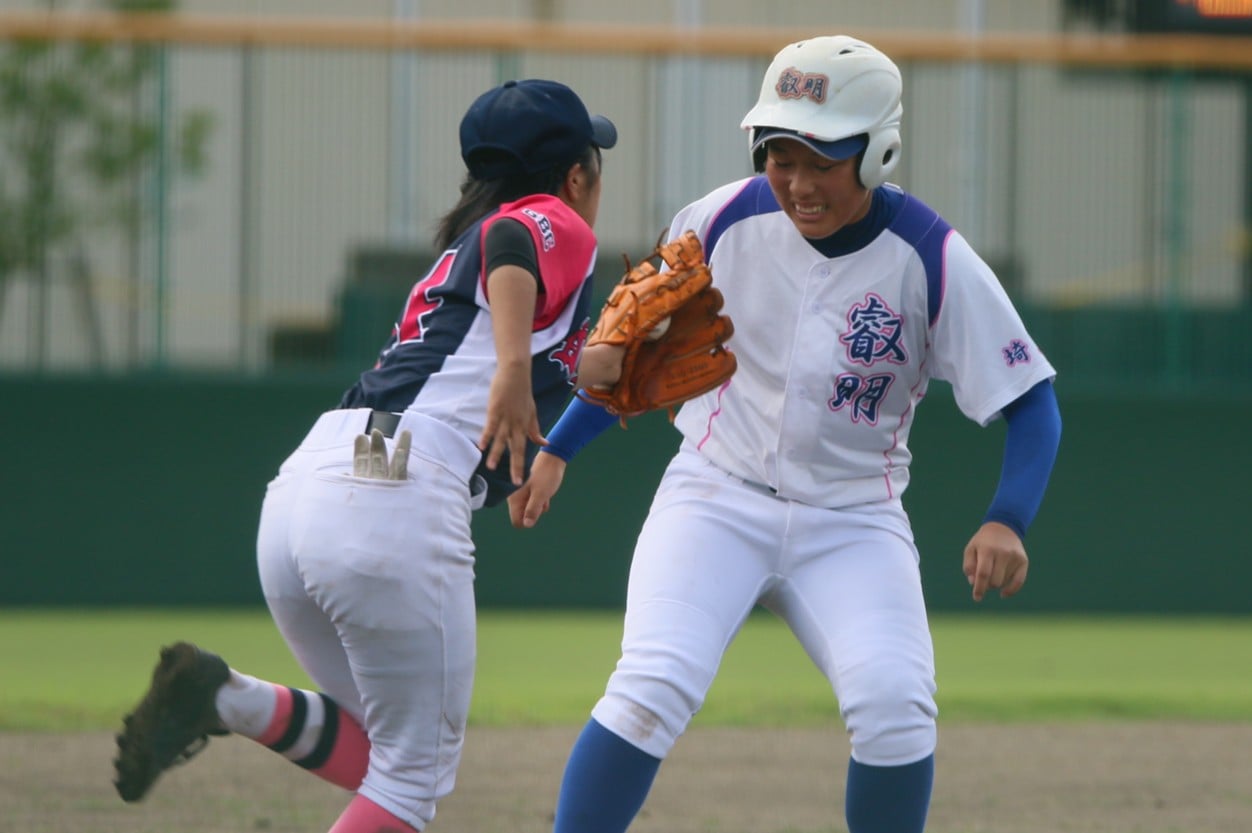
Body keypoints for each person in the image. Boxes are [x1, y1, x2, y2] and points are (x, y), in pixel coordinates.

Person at [507, 35, 1062, 833]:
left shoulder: (931, 257)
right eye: (780, 153)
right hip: (714, 495)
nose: (799, 181)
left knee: (896, 707)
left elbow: (1032, 400)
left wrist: (1009, 515)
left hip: (852, 519)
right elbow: (635, 354)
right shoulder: (720, 219)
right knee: (650, 686)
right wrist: (560, 447)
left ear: (879, 152)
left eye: (823, 159)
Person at [111, 78, 617, 833]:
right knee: (414, 780)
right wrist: (514, 370)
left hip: (309, 488)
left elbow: (573, 359)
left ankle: (220, 697)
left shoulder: (466, 258)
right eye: (592, 165)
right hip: (395, 493)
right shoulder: (549, 221)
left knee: (388, 750)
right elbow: (515, 242)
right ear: (574, 175)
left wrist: (561, 441)